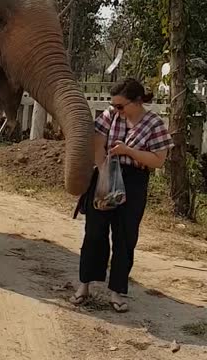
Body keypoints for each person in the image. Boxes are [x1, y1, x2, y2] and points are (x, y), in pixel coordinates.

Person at [70, 78, 174, 313]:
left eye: (120, 106)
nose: (116, 110)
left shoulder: (154, 124)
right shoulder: (111, 115)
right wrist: (102, 167)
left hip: (133, 180)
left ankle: (116, 291)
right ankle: (84, 284)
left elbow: (158, 160)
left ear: (137, 102)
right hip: (107, 173)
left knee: (124, 236)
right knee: (95, 232)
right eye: (114, 105)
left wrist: (128, 151)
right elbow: (97, 143)